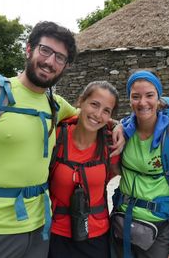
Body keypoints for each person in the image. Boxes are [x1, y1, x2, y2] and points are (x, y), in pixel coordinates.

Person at [0, 21, 124, 258]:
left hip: (38, 232)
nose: (50, 62)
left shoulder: (55, 106)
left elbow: (94, 118)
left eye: (60, 58)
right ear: (29, 49)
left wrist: (123, 128)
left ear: (65, 66)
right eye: (45, 50)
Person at [111, 70, 169, 258]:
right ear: (129, 100)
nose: (143, 102)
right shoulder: (124, 133)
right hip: (121, 223)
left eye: (149, 95)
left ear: (158, 98)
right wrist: (117, 127)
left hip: (158, 230)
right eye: (136, 96)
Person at [48, 81, 120, 258]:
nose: (98, 114)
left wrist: (120, 126)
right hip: (55, 235)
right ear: (81, 101)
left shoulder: (112, 144)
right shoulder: (56, 136)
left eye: (106, 111)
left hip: (96, 237)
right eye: (94, 104)